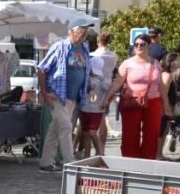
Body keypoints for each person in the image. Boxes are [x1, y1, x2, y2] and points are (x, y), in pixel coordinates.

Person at [36, 20, 91, 172]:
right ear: (71, 31)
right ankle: (70, 163)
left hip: (72, 97)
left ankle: (46, 162)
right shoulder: (60, 47)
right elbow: (41, 69)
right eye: (81, 30)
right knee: (66, 126)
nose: (84, 34)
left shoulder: (84, 47)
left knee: (55, 129)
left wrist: (89, 88)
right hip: (57, 95)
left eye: (86, 31)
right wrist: (45, 94)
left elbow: (85, 70)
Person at [101, 34, 164, 159]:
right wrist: (107, 98)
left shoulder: (156, 63)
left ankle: (147, 163)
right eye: (136, 44)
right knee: (130, 134)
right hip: (131, 101)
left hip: (153, 101)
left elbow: (160, 85)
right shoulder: (127, 63)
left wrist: (165, 103)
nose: (139, 47)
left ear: (149, 46)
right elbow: (118, 82)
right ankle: (130, 162)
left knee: (151, 134)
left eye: (142, 44)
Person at [74, 55, 109, 159]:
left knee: (92, 132)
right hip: (84, 109)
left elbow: (107, 88)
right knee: (85, 134)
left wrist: (99, 82)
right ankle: (87, 155)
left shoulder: (102, 79)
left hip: (96, 111)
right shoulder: (86, 77)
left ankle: (99, 152)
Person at [92, 31, 118, 148]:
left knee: (90, 117)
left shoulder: (93, 55)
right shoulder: (113, 55)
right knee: (104, 116)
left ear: (98, 42)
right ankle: (102, 147)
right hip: (108, 84)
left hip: (95, 84)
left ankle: (91, 148)